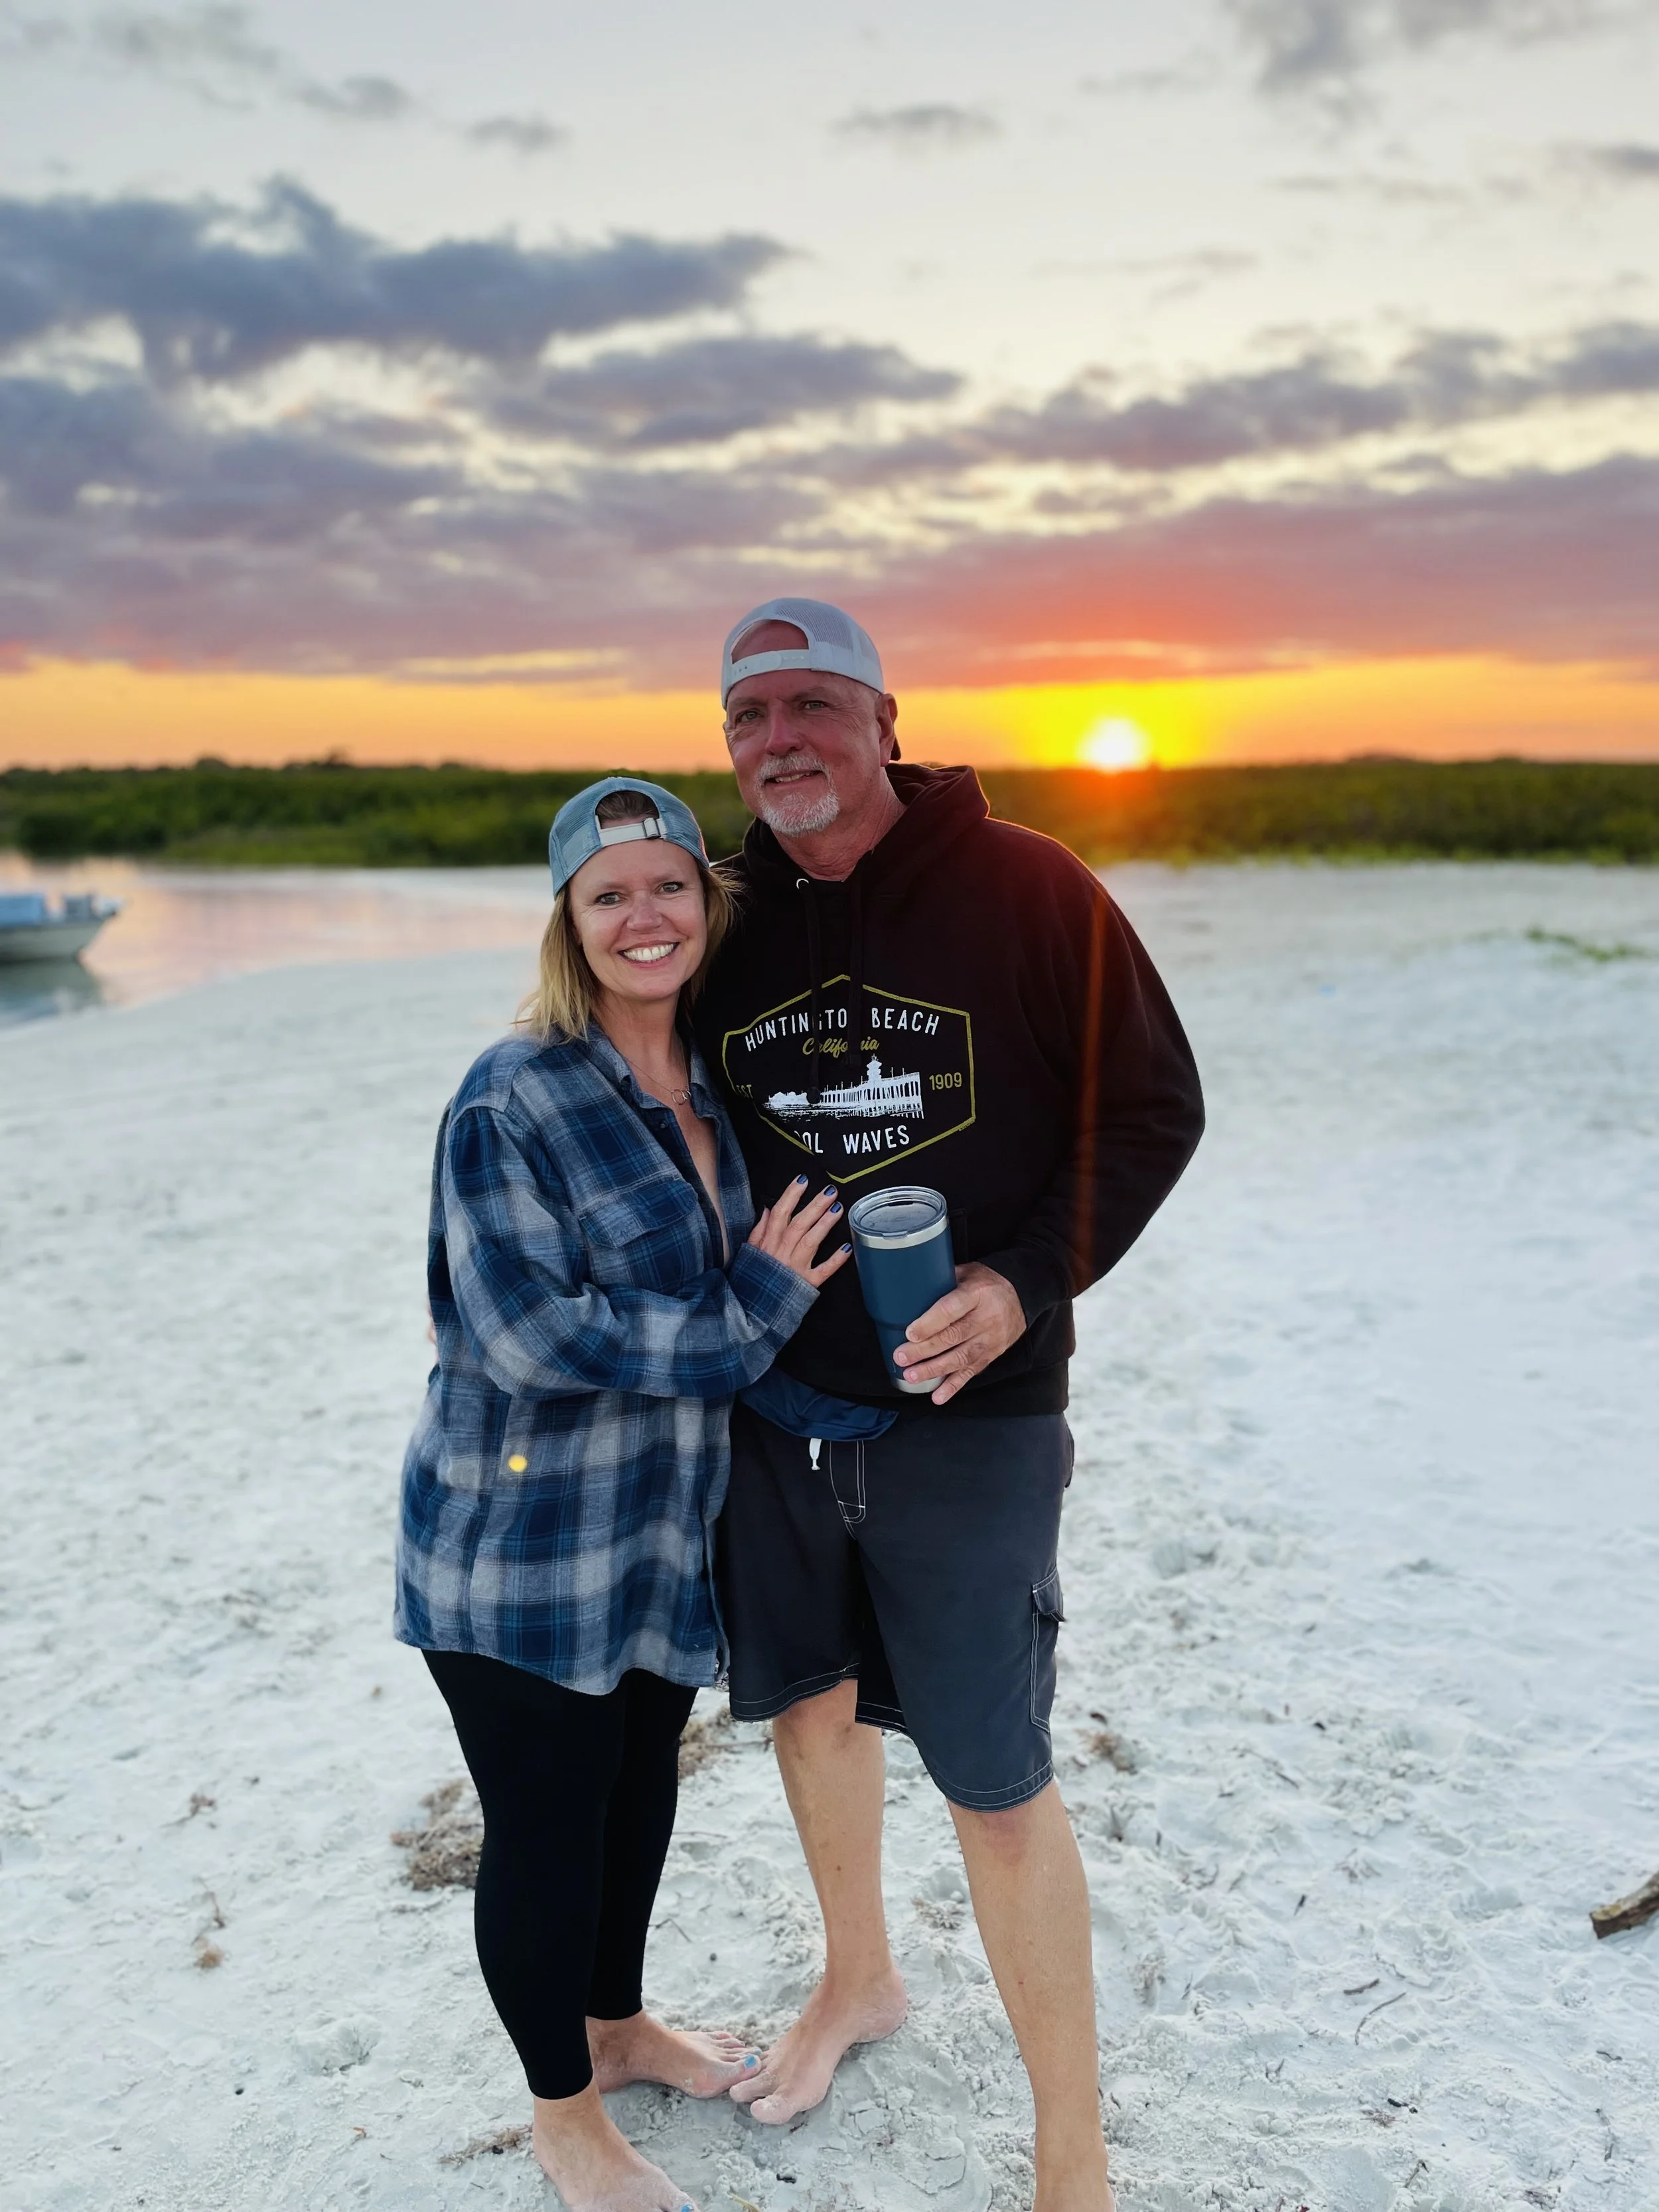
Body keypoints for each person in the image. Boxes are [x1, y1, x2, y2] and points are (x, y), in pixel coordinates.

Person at [693, 601, 1206, 2212]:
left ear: (883, 718)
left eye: (809, 705)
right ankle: (858, 1976)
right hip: (775, 1411)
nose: (778, 739)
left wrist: (1019, 1280)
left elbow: (1150, 1111)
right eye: (747, 715)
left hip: (974, 1417)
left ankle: (1072, 2148)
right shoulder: (722, 921)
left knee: (993, 1772)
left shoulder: (1033, 889)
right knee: (809, 1708)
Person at [395, 776, 849, 2212]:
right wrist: (749, 1313)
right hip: (517, 1544)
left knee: (634, 1789)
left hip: (659, 1536)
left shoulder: (715, 1087)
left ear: (703, 906)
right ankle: (561, 2113)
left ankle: (616, 2024)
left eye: (666, 885)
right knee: (544, 1820)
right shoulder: (509, 1094)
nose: (641, 915)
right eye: (608, 895)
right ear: (569, 923)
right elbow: (526, 1332)